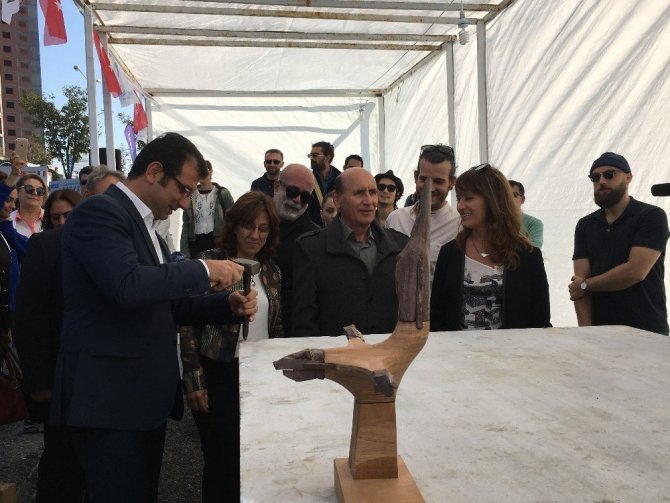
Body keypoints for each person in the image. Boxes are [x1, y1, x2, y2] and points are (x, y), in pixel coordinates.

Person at [49, 132, 258, 503]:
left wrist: (226, 305)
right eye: (183, 189)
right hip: (109, 403)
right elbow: (127, 286)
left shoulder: (149, 229)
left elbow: (167, 304)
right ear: (154, 171)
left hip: (140, 402)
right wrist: (202, 268)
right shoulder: (100, 212)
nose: (185, 202)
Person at [180, 191, 283, 503]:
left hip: (260, 376)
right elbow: (187, 324)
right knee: (221, 460)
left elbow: (277, 326)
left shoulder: (271, 271)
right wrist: (194, 380)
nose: (255, 235)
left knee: (256, 456)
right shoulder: (210, 263)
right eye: (249, 226)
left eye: (263, 229)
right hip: (219, 372)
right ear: (234, 225)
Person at [14, 186, 83, 502]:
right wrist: (38, 380)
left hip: (92, 376)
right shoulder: (44, 247)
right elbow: (29, 317)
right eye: (56, 218)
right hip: (56, 372)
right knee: (60, 459)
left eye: (68, 216)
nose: (62, 223)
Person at [430, 163, 551, 331]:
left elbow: (540, 322)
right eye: (458, 199)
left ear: (492, 200)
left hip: (513, 348)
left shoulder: (528, 255)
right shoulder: (449, 253)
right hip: (457, 348)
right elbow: (437, 319)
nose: (460, 206)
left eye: (468, 198)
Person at [292, 168, 409, 337]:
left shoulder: (400, 245)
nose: (369, 201)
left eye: (372, 192)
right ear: (337, 199)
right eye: (359, 193)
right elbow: (304, 321)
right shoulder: (310, 248)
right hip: (336, 352)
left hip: (389, 351)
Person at [569, 152, 669, 335]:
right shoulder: (585, 225)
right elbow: (579, 283)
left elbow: (635, 272)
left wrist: (586, 285)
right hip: (601, 330)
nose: (601, 181)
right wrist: (586, 332)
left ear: (628, 177)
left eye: (609, 174)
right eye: (595, 177)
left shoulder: (651, 216)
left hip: (646, 330)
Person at [386, 144, 460, 283]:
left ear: (451, 182)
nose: (429, 187)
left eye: (438, 181)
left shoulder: (459, 226)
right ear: (415, 177)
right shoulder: (396, 219)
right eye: (424, 179)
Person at [273, 164, 319, 337]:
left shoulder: (314, 238)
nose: (298, 200)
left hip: (290, 330)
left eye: (305, 197)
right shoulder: (252, 222)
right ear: (277, 186)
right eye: (292, 191)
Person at [180, 160, 234, 258]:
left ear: (210, 172)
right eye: (198, 171)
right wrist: (184, 251)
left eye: (204, 170)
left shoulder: (222, 193)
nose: (201, 173)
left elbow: (233, 220)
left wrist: (230, 245)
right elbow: (186, 225)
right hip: (195, 243)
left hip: (217, 242)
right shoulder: (190, 195)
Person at [306, 141, 341, 226]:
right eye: (310, 155)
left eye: (315, 155)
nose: (311, 159)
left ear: (328, 157)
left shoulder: (341, 180)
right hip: (312, 229)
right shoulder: (306, 179)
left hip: (337, 228)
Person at [508, 179, 543, 248]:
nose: (508, 199)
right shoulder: (492, 222)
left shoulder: (533, 223)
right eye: (504, 195)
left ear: (522, 199)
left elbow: (534, 249)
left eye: (514, 195)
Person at [12, 173, 48, 237]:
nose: (35, 193)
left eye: (40, 190)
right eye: (29, 188)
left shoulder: (51, 219)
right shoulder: (6, 221)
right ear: (18, 192)